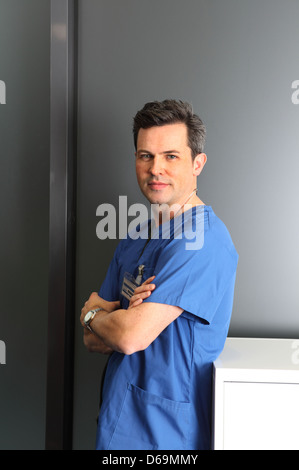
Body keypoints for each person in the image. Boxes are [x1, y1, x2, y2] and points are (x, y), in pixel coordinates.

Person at [80, 99, 238, 450]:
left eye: (171, 156)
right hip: (118, 422)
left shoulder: (204, 243)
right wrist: (112, 321)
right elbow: (92, 341)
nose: (155, 169)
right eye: (145, 156)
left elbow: (130, 337)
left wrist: (94, 313)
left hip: (166, 434)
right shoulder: (137, 235)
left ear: (198, 163)